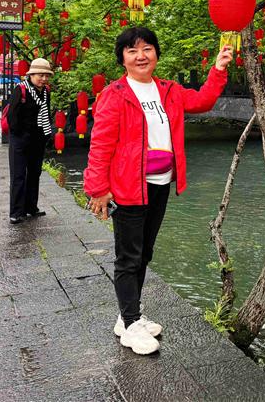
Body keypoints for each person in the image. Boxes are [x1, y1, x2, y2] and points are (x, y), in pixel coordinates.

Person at [84, 27, 232, 355]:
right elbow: (101, 144)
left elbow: (203, 100)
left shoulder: (168, 90)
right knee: (128, 256)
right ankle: (131, 324)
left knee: (144, 253)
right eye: (132, 51)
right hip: (127, 187)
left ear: (156, 54)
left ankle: (128, 317)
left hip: (160, 183)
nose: (141, 56)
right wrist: (98, 189)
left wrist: (219, 68)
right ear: (122, 58)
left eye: (147, 49)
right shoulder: (114, 94)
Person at [6, 58, 54, 225]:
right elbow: (12, 117)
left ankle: (31, 207)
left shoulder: (46, 91)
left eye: (46, 76)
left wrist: (45, 135)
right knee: (18, 175)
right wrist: (20, 135)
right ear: (31, 75)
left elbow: (46, 113)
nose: (44, 79)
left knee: (34, 174)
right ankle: (16, 212)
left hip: (38, 139)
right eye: (40, 75)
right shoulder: (21, 89)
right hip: (20, 140)